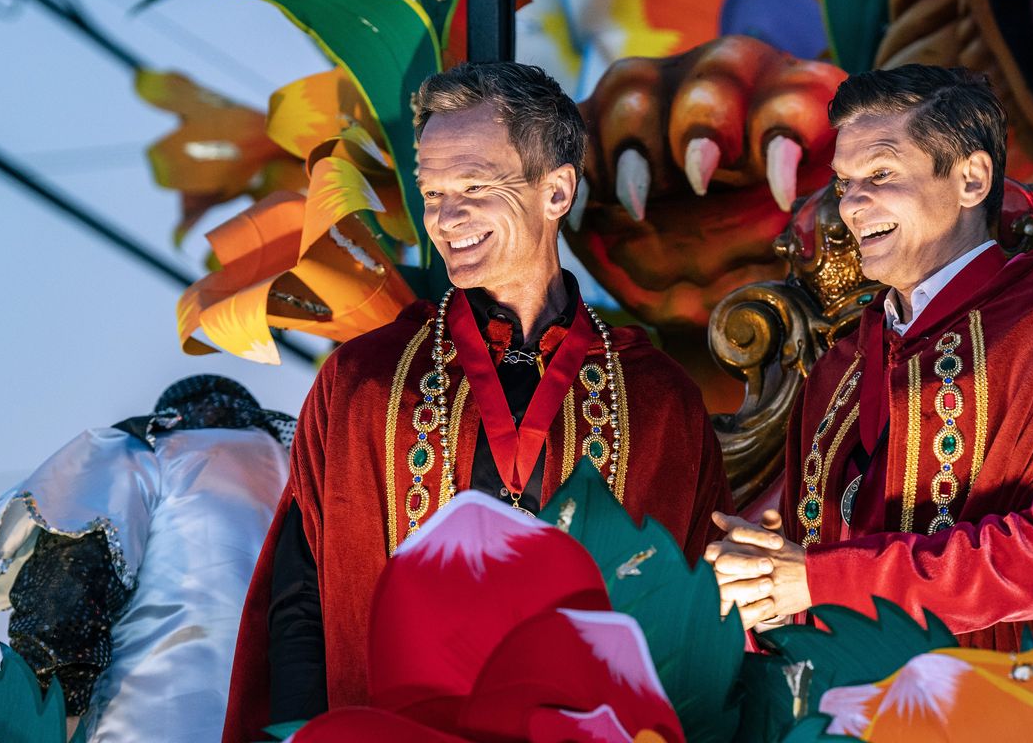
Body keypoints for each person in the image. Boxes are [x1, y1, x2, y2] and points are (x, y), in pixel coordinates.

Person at [222, 61, 732, 742]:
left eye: (474, 186)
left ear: (556, 192)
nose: (446, 216)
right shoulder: (362, 384)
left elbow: (705, 630)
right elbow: (300, 604)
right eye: (432, 192)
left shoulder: (660, 402)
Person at [705, 65, 1033, 650]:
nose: (851, 206)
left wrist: (823, 580)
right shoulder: (840, 364)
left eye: (881, 173)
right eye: (843, 183)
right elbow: (798, 579)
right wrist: (760, 586)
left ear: (971, 179)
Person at [0, 375, 293, 742]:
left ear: (172, 412)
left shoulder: (140, 454)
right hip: (293, 727)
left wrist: (53, 710)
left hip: (147, 722)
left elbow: (68, 588)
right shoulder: (307, 473)